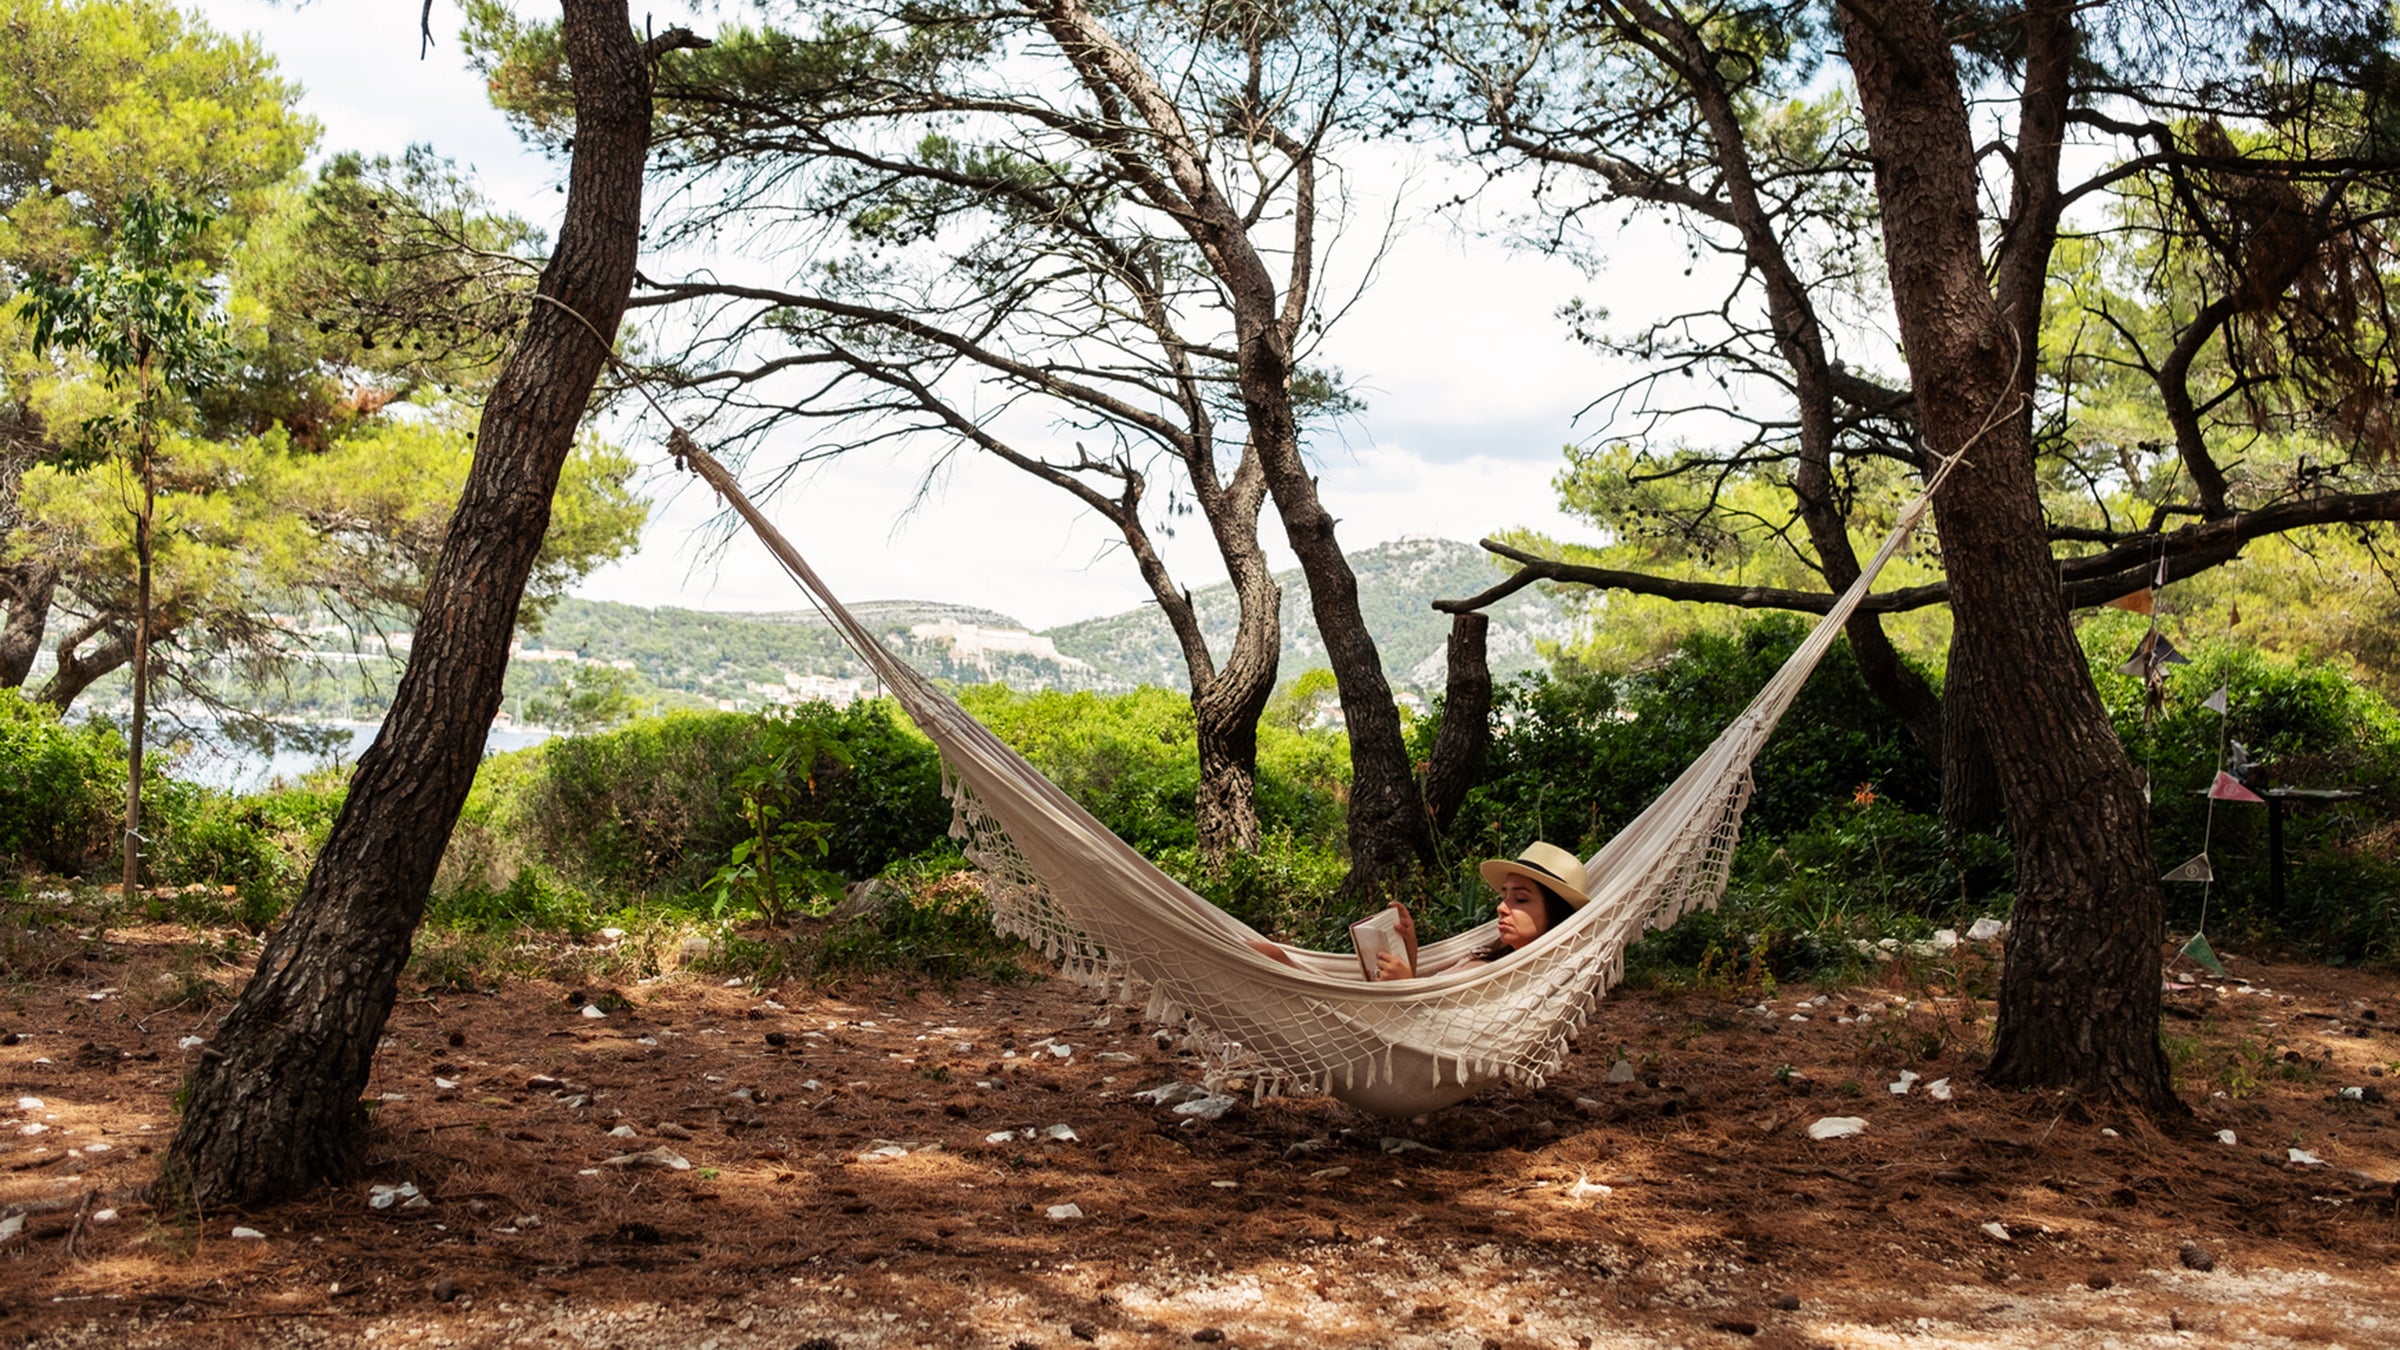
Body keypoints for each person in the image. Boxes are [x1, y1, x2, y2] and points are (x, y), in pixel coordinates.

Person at [1248, 841, 1591, 980]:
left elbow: (1443, 1032)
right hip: (1385, 1019)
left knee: (1270, 957)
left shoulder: (1523, 978)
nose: (1502, 907)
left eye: (1521, 899)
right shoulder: (1495, 955)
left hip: (1379, 1028)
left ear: (1555, 914)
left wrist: (1406, 985)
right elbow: (1428, 999)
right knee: (1263, 954)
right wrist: (1409, 949)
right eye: (1504, 896)